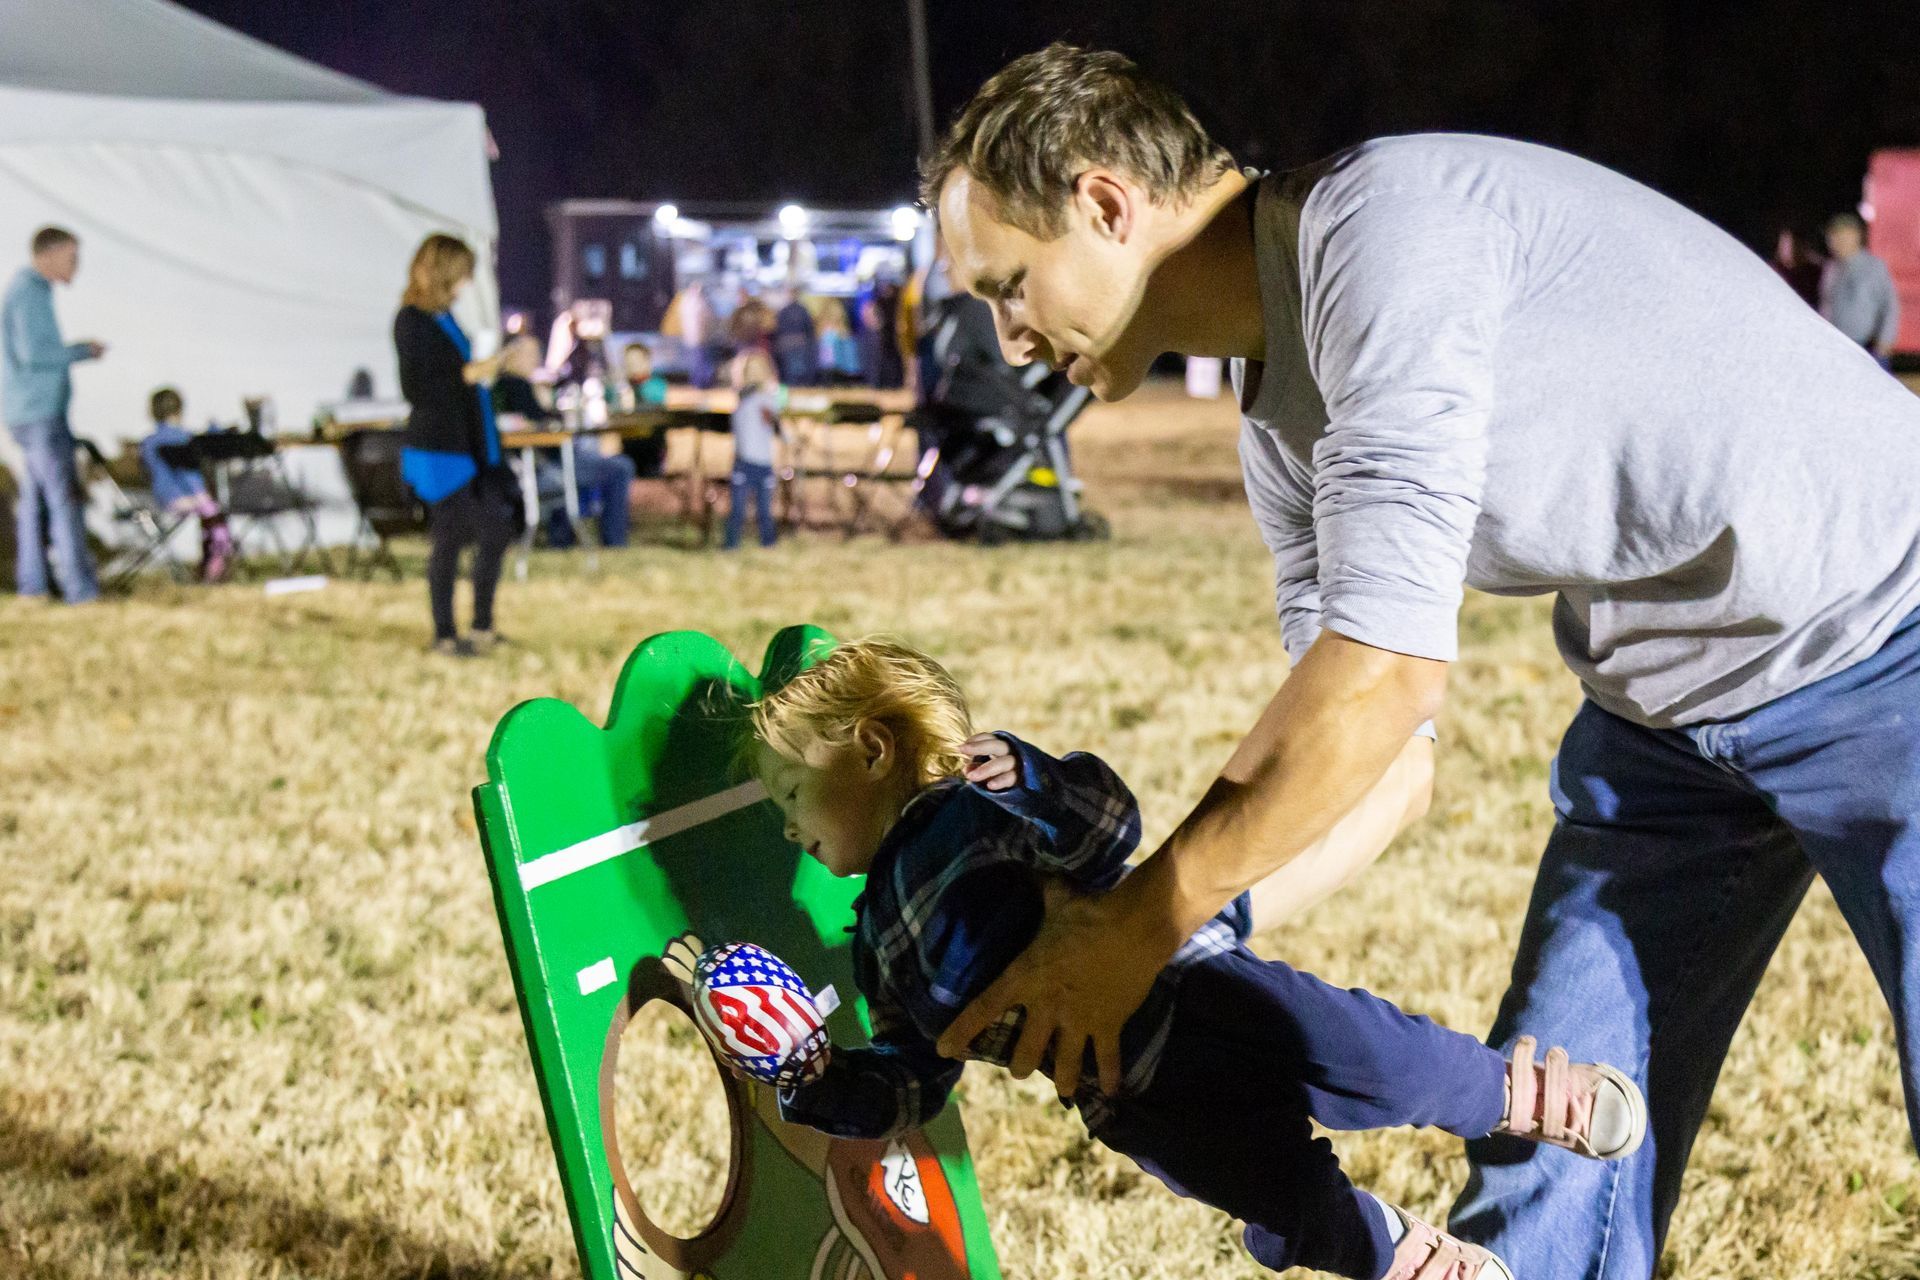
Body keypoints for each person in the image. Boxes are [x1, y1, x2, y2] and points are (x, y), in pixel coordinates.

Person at [919, 45, 1920, 1280]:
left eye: (1008, 284)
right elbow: (1385, 763)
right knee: (1549, 1126)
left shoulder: (1380, 235)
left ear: (1107, 203)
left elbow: (1386, 677)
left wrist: (1138, 923)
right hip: (1665, 715)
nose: (1007, 339)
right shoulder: (1279, 428)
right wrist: (1187, 933)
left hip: (1892, 624)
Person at [748, 639, 1645, 1280]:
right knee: (1268, 1188)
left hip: (1199, 991)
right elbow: (915, 1079)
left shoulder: (970, 810)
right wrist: (819, 1080)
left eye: (791, 791)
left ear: (870, 748)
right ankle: (1399, 1254)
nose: (788, 826)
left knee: (1375, 1058)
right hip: (1122, 1092)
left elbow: (1110, 829)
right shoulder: (873, 950)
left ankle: (1517, 1094)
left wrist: (1029, 777)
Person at [393, 233, 514, 658]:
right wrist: (467, 375)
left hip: (469, 444)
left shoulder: (445, 318)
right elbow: (417, 387)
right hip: (438, 448)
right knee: (450, 538)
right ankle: (445, 634)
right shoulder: (412, 320)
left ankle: (481, 624)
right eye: (462, 274)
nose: (466, 283)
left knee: (495, 531)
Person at [4, 226, 105, 604]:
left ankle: (33, 588)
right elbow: (36, 355)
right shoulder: (29, 294)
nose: (75, 266)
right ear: (48, 254)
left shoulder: (25, 291)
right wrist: (82, 351)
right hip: (40, 414)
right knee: (64, 498)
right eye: (71, 257)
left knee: (34, 502)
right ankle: (81, 590)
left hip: (25, 413)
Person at [493, 333, 633, 549]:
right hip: (542, 467)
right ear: (511, 355)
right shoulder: (516, 384)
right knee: (621, 467)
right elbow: (544, 425)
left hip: (528, 467)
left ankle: (562, 538)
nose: (536, 360)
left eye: (536, 354)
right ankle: (614, 541)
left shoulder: (499, 387)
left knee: (591, 454)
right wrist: (546, 406)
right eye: (530, 354)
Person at [139, 387, 231, 582]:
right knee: (213, 511)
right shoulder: (183, 439)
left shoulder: (149, 442)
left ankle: (210, 562)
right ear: (180, 409)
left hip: (161, 499)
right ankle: (216, 561)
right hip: (185, 498)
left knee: (208, 511)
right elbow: (191, 475)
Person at [1818, 211, 1900, 369]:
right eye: (1832, 236)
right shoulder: (1831, 268)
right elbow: (1825, 303)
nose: (1835, 241)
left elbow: (1890, 305)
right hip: (1835, 347)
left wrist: (1885, 341)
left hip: (1867, 349)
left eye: (1842, 235)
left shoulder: (1873, 266)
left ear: (1856, 236)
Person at [724, 349, 785, 550]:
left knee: (764, 510)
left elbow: (775, 426)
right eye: (750, 371)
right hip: (743, 462)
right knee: (738, 508)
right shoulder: (743, 399)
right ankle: (731, 545)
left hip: (763, 463)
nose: (755, 375)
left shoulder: (767, 401)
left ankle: (768, 543)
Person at [619, 342, 669, 479]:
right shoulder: (621, 388)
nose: (632, 366)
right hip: (629, 447)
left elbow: (654, 402)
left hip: (652, 447)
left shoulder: (656, 385)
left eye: (636, 361)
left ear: (647, 362)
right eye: (628, 362)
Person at [771, 290, 819, 386]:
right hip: (800, 345)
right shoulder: (803, 310)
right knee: (801, 374)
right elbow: (810, 329)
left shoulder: (782, 311)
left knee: (790, 374)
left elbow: (777, 329)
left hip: (787, 347)